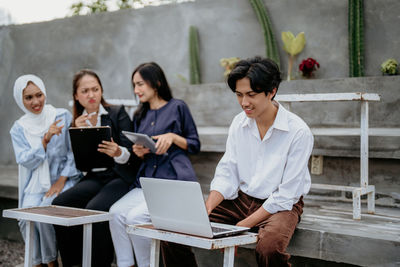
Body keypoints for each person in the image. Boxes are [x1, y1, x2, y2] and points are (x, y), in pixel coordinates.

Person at [161, 56, 314, 267]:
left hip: (282, 206)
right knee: (175, 230)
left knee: (269, 248)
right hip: (241, 199)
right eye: (239, 95)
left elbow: (286, 195)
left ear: (272, 91)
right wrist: (207, 207)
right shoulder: (238, 123)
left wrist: (243, 225)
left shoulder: (298, 132)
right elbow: (227, 172)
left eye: (251, 95)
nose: (244, 103)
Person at [109, 62, 200, 267]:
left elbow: (194, 145)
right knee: (115, 213)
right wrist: (139, 152)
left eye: (140, 84)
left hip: (172, 181)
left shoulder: (178, 107)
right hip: (147, 181)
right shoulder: (140, 114)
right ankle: (126, 264)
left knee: (134, 218)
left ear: (156, 83)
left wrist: (173, 137)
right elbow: (140, 152)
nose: (136, 90)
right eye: (134, 85)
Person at [52, 69, 139, 267]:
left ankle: (99, 263)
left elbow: (132, 155)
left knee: (95, 209)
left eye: (95, 89)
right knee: (61, 204)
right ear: (76, 95)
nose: (91, 95)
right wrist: (79, 131)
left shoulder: (117, 113)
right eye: (85, 91)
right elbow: (80, 163)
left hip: (119, 176)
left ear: (101, 90)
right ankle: (73, 262)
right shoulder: (77, 121)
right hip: (94, 177)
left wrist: (118, 152)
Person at [10, 74, 81, 267]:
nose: (36, 102)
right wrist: (44, 140)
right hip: (36, 184)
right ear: (20, 100)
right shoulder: (19, 128)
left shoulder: (61, 116)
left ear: (44, 93)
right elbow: (26, 161)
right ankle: (37, 263)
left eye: (39, 95)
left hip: (65, 179)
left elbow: (74, 153)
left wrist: (61, 180)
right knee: (25, 217)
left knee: (44, 215)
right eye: (29, 97)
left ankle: (51, 262)